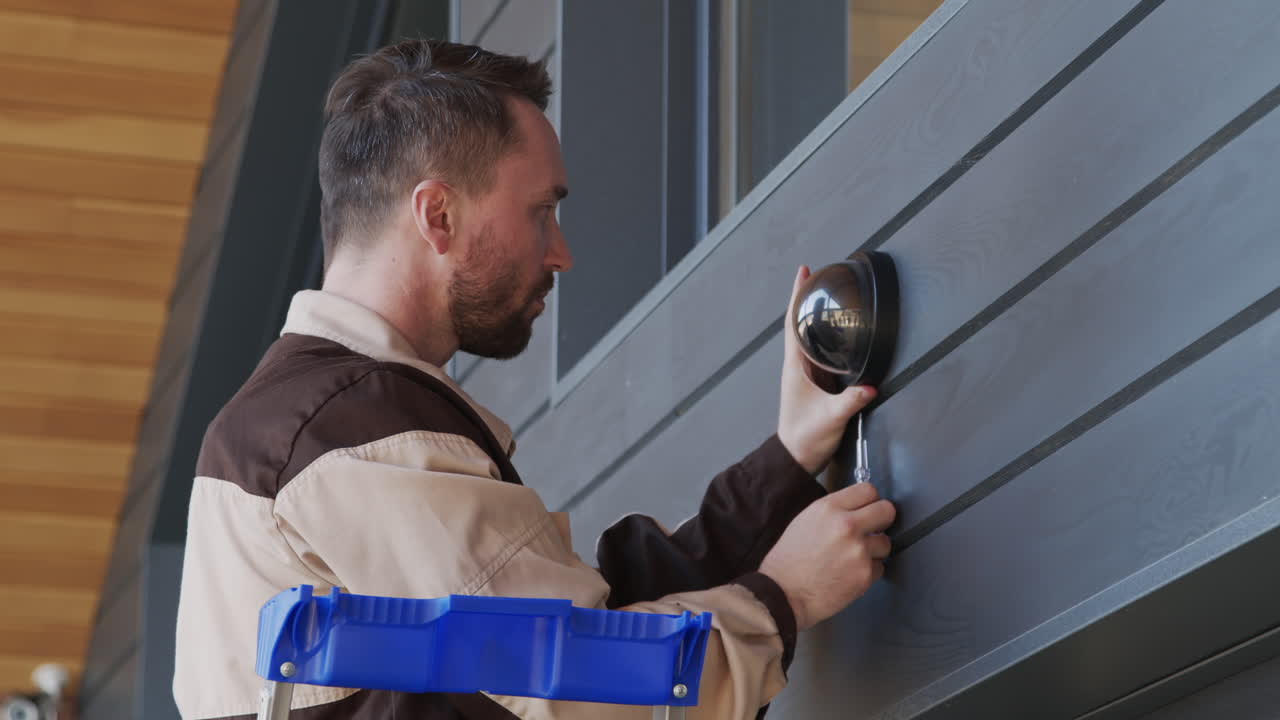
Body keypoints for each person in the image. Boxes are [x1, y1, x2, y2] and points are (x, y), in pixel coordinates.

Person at [172, 38, 894, 720]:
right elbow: (574, 689)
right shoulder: (347, 426)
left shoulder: (296, 427)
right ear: (438, 214)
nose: (561, 253)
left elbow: (573, 629)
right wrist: (785, 600)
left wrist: (789, 460)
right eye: (541, 211)